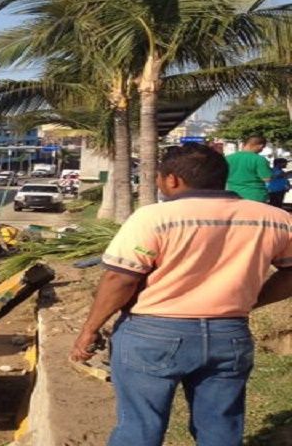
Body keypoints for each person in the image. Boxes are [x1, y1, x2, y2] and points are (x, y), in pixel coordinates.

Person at [69, 143, 292, 446]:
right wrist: (253, 301)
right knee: (220, 428)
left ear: (172, 179)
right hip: (229, 334)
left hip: (153, 334)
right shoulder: (273, 218)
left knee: (140, 427)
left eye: (159, 178)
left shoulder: (154, 218)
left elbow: (119, 279)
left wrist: (89, 329)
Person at [225, 135, 271, 202]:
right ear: (260, 146)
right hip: (255, 195)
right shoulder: (259, 159)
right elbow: (267, 178)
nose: (262, 150)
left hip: (232, 195)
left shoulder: (228, 158)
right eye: (263, 148)